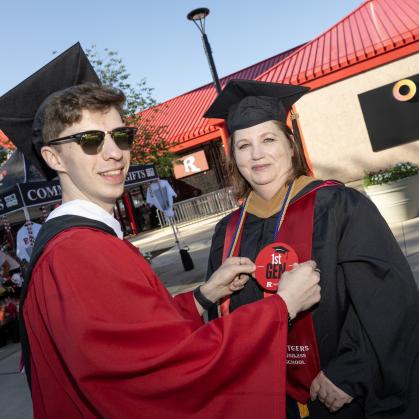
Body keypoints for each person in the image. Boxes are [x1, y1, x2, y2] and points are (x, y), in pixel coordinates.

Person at [8, 78, 322, 418]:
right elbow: (167, 372)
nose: (115, 153)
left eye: (121, 136)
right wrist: (281, 307)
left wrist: (203, 296)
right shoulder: (79, 252)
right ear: (53, 157)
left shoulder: (74, 242)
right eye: (90, 140)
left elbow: (136, 340)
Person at [204, 79, 419, 419]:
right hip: (264, 402)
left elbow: (388, 299)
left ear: (291, 146)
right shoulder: (228, 232)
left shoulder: (338, 207)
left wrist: (351, 371)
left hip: (338, 397)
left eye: (268, 139)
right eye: (243, 145)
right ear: (233, 157)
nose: (256, 154)